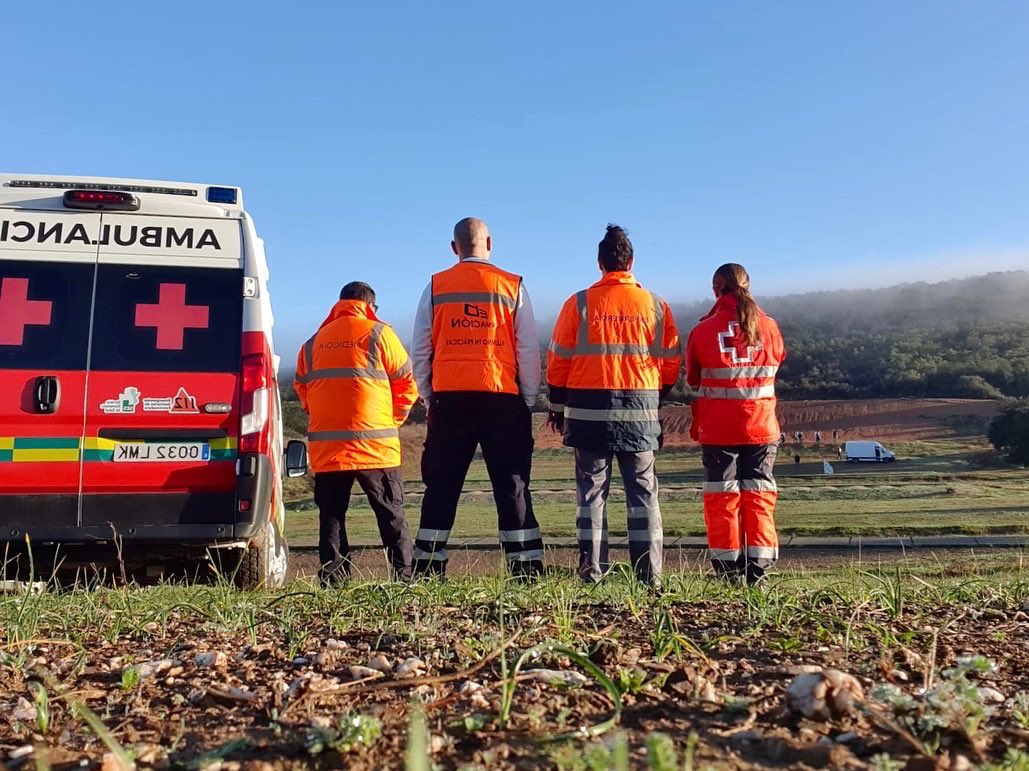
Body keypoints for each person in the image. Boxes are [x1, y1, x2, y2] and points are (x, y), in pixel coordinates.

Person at [547, 225, 681, 586]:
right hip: (640, 413)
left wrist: (557, 407)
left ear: (600, 263)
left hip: (588, 414)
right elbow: (670, 363)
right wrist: (652, 397)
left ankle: (592, 574)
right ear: (631, 262)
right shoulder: (657, 306)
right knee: (643, 494)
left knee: (591, 495)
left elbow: (558, 361)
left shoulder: (577, 304)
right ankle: (648, 576)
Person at [410, 217, 543, 579]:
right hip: (502, 399)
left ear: (454, 248)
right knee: (512, 485)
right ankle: (525, 567)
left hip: (450, 401)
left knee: (441, 486)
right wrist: (526, 399)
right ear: (490, 243)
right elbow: (528, 349)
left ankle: (427, 568)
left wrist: (429, 396)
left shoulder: (436, 286)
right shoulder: (512, 285)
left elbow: (420, 349)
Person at [295, 281, 419, 585]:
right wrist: (392, 420)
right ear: (370, 306)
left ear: (339, 304)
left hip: (329, 449)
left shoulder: (312, 343)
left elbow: (302, 388)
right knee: (391, 514)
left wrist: (323, 415)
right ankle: (403, 580)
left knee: (332, 518)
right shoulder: (380, 334)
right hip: (375, 447)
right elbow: (407, 385)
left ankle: (334, 584)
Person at [686, 263, 786, 585]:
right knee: (758, 495)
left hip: (718, 431)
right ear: (748, 286)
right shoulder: (770, 327)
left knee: (721, 498)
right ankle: (759, 571)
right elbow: (778, 360)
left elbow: (692, 377)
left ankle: (728, 571)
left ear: (716, 289)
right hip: (761, 427)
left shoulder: (702, 331)